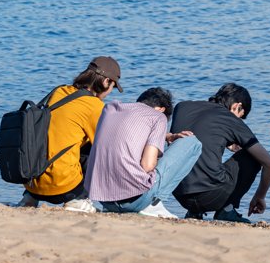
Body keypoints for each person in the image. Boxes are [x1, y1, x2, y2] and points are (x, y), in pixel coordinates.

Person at [18, 56, 122, 211]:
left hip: (32, 183)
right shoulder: (94, 106)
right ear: (106, 81)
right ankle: (78, 199)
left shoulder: (59, 91)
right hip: (63, 189)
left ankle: (29, 199)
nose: (110, 92)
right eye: (113, 86)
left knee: (55, 141)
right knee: (101, 151)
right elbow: (108, 147)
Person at [83, 87, 202, 218]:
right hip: (136, 202)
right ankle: (155, 204)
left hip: (105, 201)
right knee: (193, 143)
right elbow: (147, 165)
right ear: (161, 110)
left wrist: (167, 136)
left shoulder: (110, 109)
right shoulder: (158, 117)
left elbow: (129, 135)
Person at [170, 83, 270, 223]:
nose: (239, 121)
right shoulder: (230, 119)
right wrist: (259, 196)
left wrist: (226, 141)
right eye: (240, 116)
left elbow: (203, 134)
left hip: (179, 194)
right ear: (237, 106)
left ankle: (194, 212)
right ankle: (227, 210)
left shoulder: (182, 107)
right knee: (253, 157)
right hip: (210, 197)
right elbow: (269, 164)